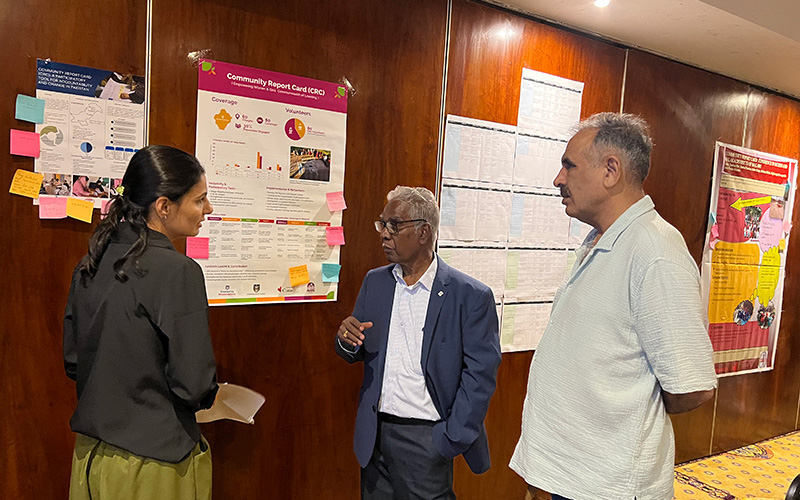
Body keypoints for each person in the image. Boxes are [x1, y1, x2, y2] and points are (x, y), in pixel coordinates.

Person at [509, 113, 718, 500]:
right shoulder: (601, 239)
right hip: (564, 477)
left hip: (606, 487)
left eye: (569, 165)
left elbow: (692, 387)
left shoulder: (655, 252)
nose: (558, 179)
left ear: (610, 170)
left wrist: (630, 413)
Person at [63, 145, 218, 500]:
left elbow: (74, 362)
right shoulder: (178, 272)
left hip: (89, 459)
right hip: (153, 463)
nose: (208, 209)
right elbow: (193, 385)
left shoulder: (91, 262)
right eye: (199, 200)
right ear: (164, 206)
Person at [335, 186, 502, 500]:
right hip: (375, 436)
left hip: (428, 439)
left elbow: (480, 375)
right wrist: (346, 339)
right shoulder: (375, 282)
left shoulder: (470, 295)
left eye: (394, 225)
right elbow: (355, 348)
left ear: (424, 232)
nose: (384, 233)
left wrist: (448, 439)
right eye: (382, 224)